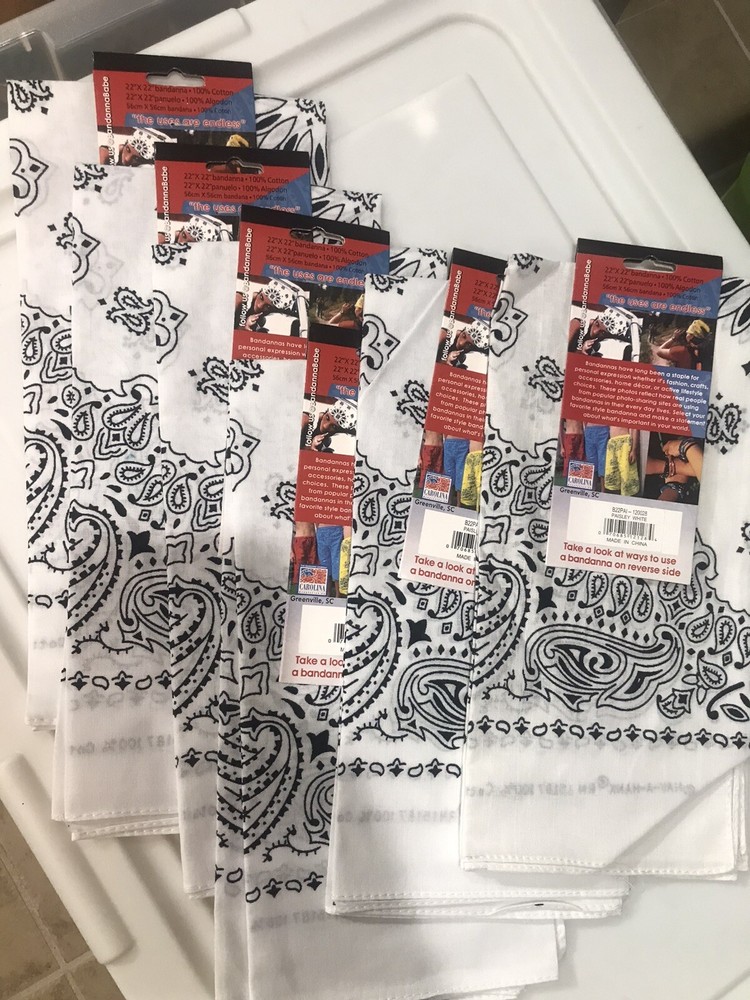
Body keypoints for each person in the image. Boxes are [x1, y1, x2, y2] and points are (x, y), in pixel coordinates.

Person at [603, 425, 639, 496]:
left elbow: (635, 429)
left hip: (625, 441)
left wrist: (633, 450)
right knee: (611, 471)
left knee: (626, 472)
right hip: (612, 442)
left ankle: (627, 497)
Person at [315, 524, 344, 597]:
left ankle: (336, 594)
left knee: (335, 563)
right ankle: (329, 594)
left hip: (331, 528)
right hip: (327, 528)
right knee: (328, 563)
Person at [289, 521, 317, 591]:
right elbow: (288, 529)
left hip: (312, 538)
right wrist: (291, 551)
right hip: (300, 539)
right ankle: (297, 591)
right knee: (299, 566)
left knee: (312, 565)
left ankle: (309, 591)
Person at [442, 436, 470, 505]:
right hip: (454, 441)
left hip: (460, 441)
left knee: (459, 474)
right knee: (450, 473)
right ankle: (450, 501)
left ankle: (457, 503)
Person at [583, 422, 609, 491]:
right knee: (591, 460)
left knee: (602, 460)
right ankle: (593, 487)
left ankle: (603, 489)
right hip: (590, 428)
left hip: (603, 428)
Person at [459, 440, 484, 510]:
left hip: (481, 454)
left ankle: (480, 511)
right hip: (471, 454)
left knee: (480, 487)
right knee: (467, 490)